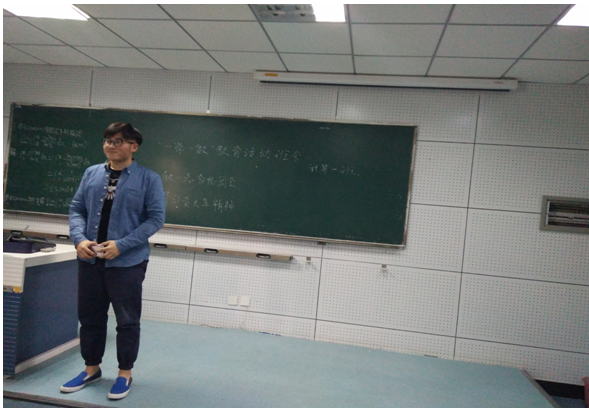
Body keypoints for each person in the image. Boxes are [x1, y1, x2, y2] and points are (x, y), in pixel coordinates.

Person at [61, 123, 165, 400]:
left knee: (127, 320)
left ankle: (124, 373)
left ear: (134, 146)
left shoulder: (148, 179)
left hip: (127, 263)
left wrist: (122, 245)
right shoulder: (92, 173)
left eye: (118, 141)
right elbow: (77, 209)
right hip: (90, 261)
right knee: (90, 318)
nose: (110, 145)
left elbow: (155, 219)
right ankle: (91, 369)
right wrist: (79, 239)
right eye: (107, 140)